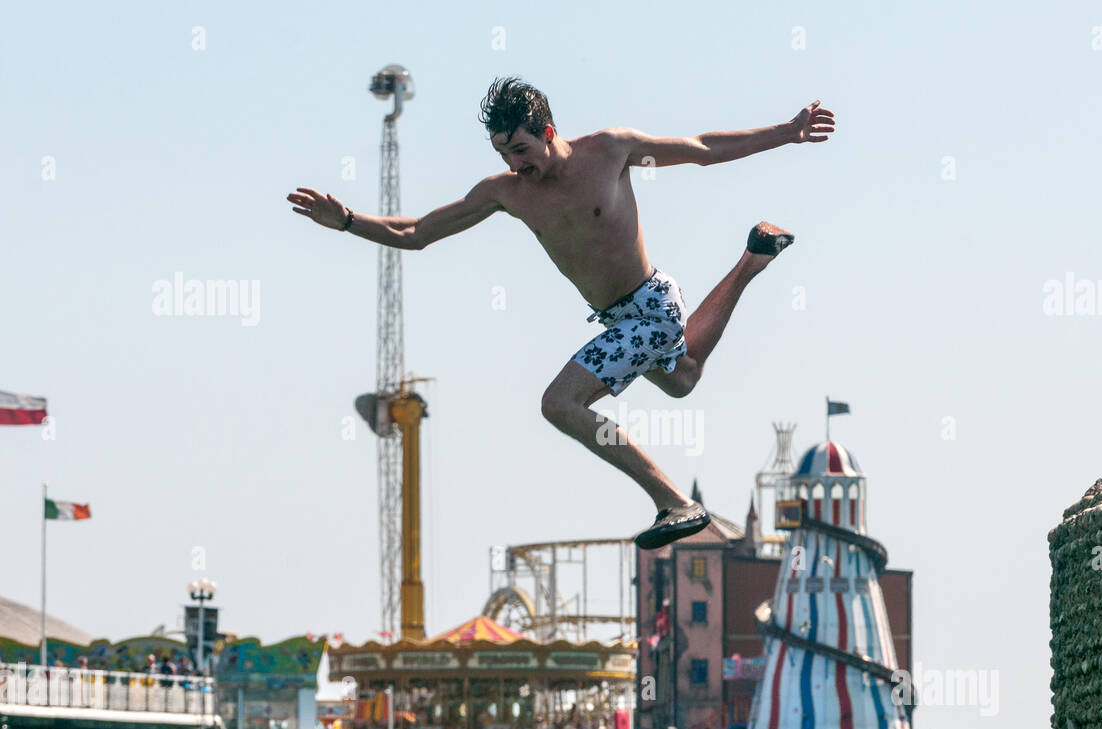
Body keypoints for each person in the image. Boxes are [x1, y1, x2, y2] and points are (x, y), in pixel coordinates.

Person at [288, 77, 834, 548]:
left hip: (649, 307)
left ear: (548, 132)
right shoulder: (504, 192)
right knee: (682, 379)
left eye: (521, 149)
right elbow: (418, 233)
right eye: (504, 153)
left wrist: (786, 131)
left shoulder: (611, 150)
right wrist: (347, 220)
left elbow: (701, 148)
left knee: (559, 403)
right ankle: (751, 260)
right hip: (620, 321)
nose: (514, 164)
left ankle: (674, 502)